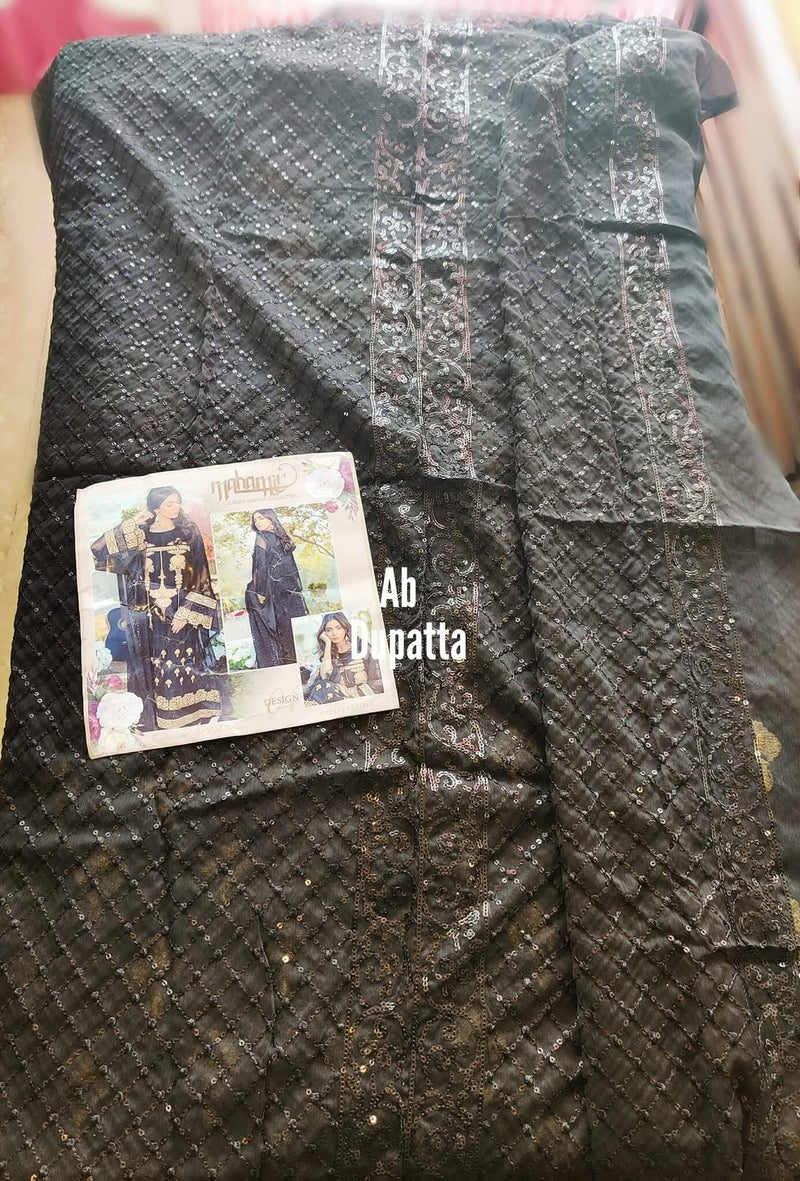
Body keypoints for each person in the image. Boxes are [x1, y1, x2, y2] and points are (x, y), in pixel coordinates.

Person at [90, 486, 224, 731]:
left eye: (177, 502)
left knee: (182, 662)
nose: (176, 507)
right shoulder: (140, 536)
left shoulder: (188, 532)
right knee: (156, 665)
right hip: (149, 616)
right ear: (156, 506)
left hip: (182, 612)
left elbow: (201, 574)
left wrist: (186, 613)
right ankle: (163, 720)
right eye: (170, 503)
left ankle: (195, 715)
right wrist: (133, 522)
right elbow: (99, 549)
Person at [245, 508, 308, 667]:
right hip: (288, 593)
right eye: (255, 520)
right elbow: (291, 568)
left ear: (271, 518)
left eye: (261, 518)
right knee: (289, 630)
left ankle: (278, 665)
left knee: (273, 630)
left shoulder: (262, 537)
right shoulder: (283, 538)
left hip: (272, 592)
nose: (257, 522)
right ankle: (298, 665)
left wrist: (259, 593)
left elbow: (260, 566)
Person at [303, 612, 383, 704]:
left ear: (345, 628)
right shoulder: (329, 653)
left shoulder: (361, 647)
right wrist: (328, 643)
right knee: (323, 685)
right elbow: (325, 677)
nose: (334, 633)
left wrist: (351, 692)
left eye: (338, 628)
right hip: (337, 699)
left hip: (361, 698)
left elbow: (379, 679)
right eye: (329, 630)